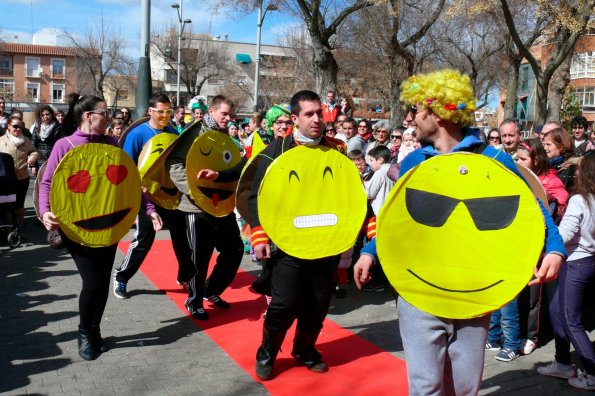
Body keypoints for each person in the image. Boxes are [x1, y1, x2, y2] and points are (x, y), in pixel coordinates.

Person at [353, 69, 566, 395]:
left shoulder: (493, 159)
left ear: (437, 113)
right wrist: (371, 251)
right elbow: (399, 223)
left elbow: (532, 210)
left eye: (417, 111)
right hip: (419, 293)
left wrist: (553, 248)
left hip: (474, 293)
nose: (412, 120)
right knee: (425, 387)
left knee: (465, 387)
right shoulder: (415, 164)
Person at [38, 94, 162, 361]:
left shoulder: (111, 143)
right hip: (77, 226)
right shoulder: (64, 144)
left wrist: (149, 210)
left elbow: (131, 182)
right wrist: (45, 211)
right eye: (105, 112)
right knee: (92, 282)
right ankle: (84, 333)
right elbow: (47, 182)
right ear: (88, 116)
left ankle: (95, 331)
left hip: (108, 224)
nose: (110, 117)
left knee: (102, 283)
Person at [249, 90, 349, 380]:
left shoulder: (337, 151)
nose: (317, 119)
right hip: (287, 244)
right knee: (283, 303)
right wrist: (259, 234)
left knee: (318, 303)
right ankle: (267, 352)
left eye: (319, 113)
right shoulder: (274, 152)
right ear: (295, 118)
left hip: (325, 243)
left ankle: (304, 348)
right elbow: (256, 196)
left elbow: (350, 194)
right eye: (309, 114)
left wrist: (360, 228)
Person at [166, 95, 245, 321]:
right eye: (224, 114)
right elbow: (174, 164)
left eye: (231, 115)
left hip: (221, 205)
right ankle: (195, 299)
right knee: (199, 258)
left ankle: (212, 289)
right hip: (195, 208)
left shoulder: (225, 138)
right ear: (211, 112)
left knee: (235, 249)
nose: (228, 119)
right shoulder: (194, 132)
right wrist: (194, 191)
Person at [113, 93, 190, 300]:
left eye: (168, 111)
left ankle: (185, 277)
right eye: (161, 111)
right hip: (147, 197)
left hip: (172, 195)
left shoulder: (174, 131)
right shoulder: (137, 134)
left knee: (183, 239)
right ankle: (122, 276)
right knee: (144, 239)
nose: (165, 115)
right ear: (150, 112)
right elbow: (127, 167)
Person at [537, 151, 595, 390]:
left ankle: (592, 372)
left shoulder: (580, 200)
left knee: (571, 320)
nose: (577, 172)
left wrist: (545, 237)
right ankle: (562, 363)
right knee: (556, 311)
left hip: (576, 263)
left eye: (581, 168)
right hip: (587, 261)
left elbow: (564, 235)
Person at [0, 116, 38, 236]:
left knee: (20, 204)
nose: (18, 129)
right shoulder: (1, 140)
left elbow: (34, 151)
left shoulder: (26, 140)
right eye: (15, 126)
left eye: (21, 127)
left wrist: (33, 156)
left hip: (22, 177)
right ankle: (9, 230)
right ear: (8, 126)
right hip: (6, 180)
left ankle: (20, 229)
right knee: (8, 203)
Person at [542, 127, 576, 191]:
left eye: (548, 144)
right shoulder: (546, 164)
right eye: (544, 144)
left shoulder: (570, 168)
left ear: (561, 146)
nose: (544, 148)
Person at [365, 145, 394, 216]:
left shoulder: (380, 173)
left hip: (378, 213)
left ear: (380, 160)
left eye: (372, 160)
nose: (370, 164)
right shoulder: (394, 171)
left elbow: (369, 193)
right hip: (390, 212)